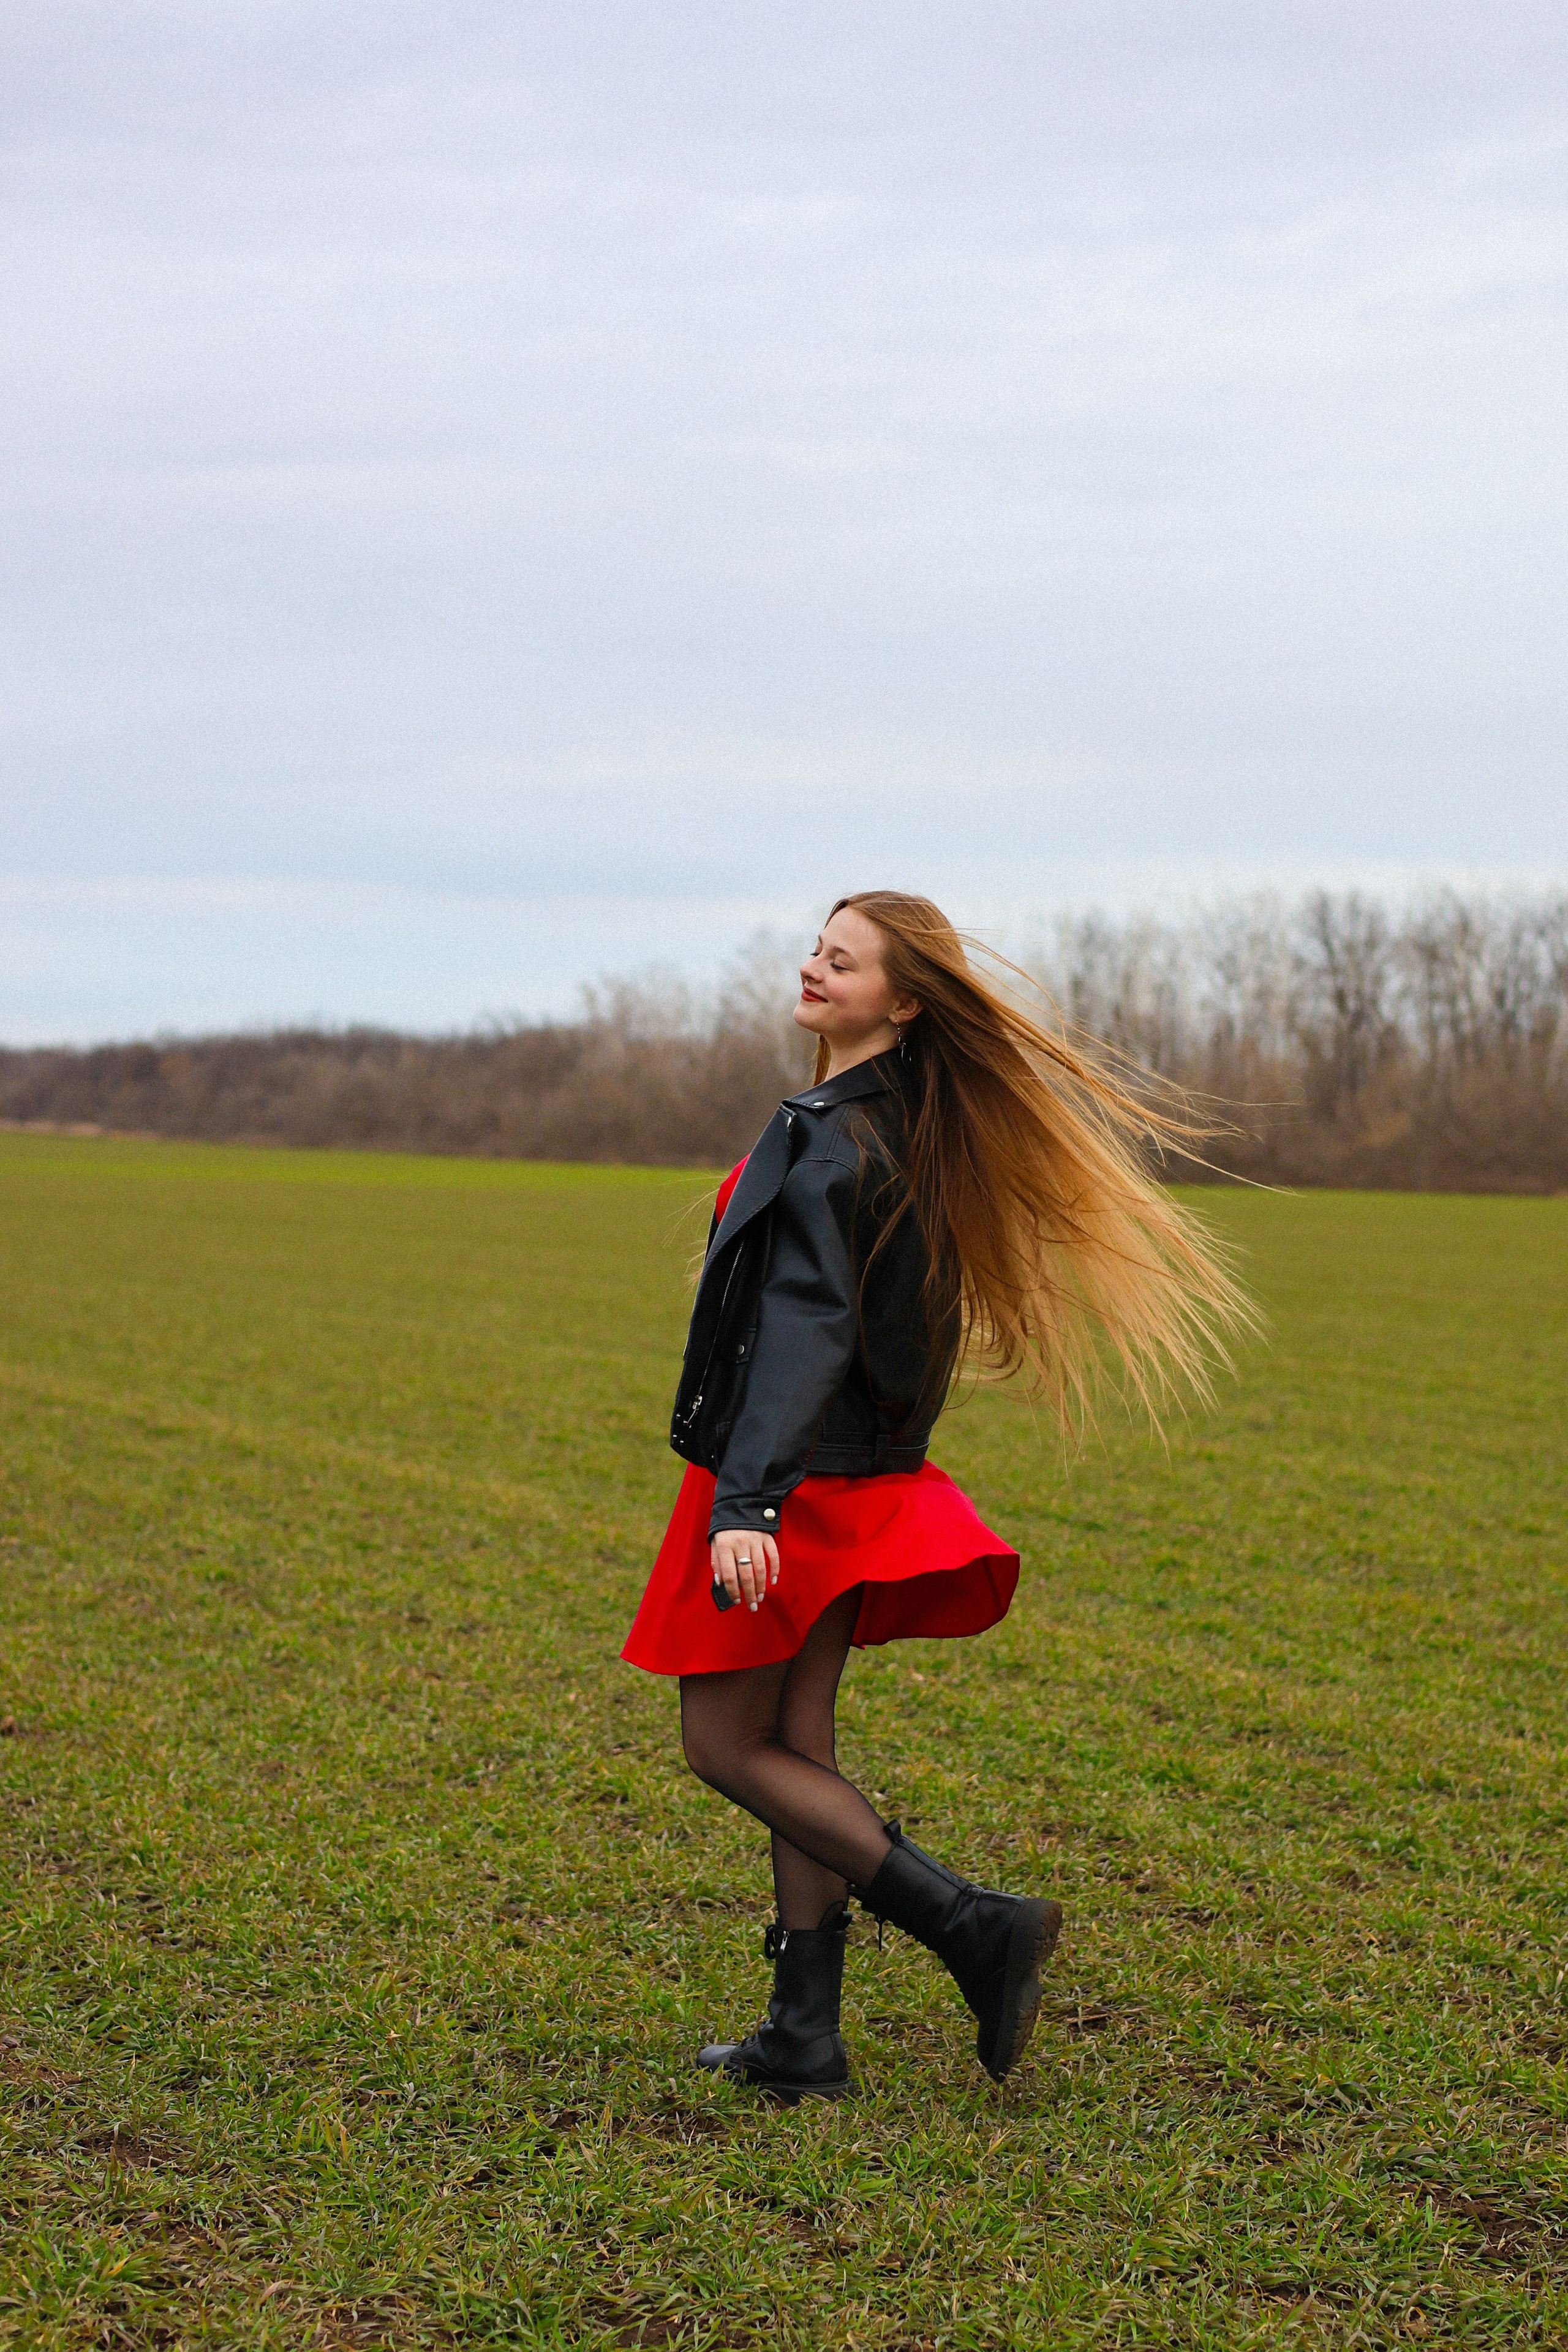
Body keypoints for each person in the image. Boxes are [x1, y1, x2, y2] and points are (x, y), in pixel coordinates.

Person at [621, 890, 1251, 2101]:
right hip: (849, 1477)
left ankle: (969, 1925)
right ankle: (802, 2035)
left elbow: (806, 1325)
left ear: (902, 1000)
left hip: (789, 1485)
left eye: (842, 962)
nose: (812, 968)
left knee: (725, 1744)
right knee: (795, 1742)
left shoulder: (836, 1134)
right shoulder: (897, 1124)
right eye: (815, 948)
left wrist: (745, 1503)